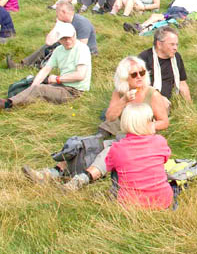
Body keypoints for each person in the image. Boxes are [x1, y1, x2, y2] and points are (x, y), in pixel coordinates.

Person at [21, 56, 170, 191]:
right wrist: (124, 100)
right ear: (125, 78)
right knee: (84, 145)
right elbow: (110, 116)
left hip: (134, 137)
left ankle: (81, 180)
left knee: (109, 150)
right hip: (112, 132)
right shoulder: (120, 92)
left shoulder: (152, 94)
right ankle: (50, 173)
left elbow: (164, 122)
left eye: (142, 73)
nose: (139, 77)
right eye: (134, 74)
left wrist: (149, 126)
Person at [0, 22, 91, 112]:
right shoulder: (59, 50)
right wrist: (33, 85)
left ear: (75, 35)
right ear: (59, 39)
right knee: (32, 84)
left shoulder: (82, 49)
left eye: (70, 37)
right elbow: (46, 69)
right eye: (63, 38)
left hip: (74, 92)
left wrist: (57, 79)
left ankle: (3, 105)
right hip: (62, 85)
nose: (67, 41)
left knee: (39, 90)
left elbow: (80, 75)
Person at [104, 102, 174, 209]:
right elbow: (165, 158)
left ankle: (115, 193)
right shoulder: (160, 141)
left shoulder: (117, 147)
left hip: (130, 204)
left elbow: (109, 166)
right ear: (146, 122)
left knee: (116, 169)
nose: (154, 122)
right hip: (163, 201)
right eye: (151, 119)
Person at [6, 1, 97, 69]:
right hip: (71, 47)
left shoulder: (82, 23)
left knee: (57, 47)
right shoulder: (65, 23)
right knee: (50, 46)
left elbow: (81, 47)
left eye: (57, 13)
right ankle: (24, 65)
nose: (56, 15)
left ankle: (38, 66)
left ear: (64, 12)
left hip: (87, 53)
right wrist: (57, 25)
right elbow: (49, 41)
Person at [137, 26, 192, 102]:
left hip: (168, 102)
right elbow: (135, 85)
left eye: (177, 44)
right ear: (159, 44)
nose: (175, 48)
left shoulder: (176, 57)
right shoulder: (143, 59)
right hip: (146, 100)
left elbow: (182, 83)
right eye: (172, 44)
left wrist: (189, 106)